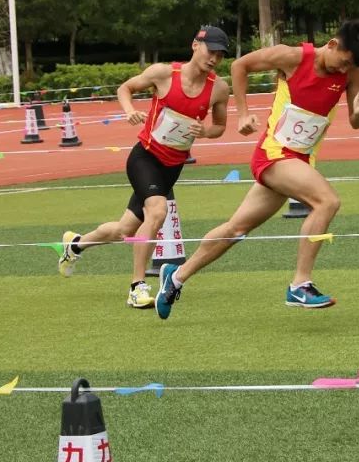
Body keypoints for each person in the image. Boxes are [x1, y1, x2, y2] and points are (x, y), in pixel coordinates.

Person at [154, 20, 359, 320]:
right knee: (328, 201)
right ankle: (300, 284)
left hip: (299, 161)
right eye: (344, 62)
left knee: (236, 229)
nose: (343, 70)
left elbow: (355, 121)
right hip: (274, 155)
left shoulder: (352, 71)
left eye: (350, 67)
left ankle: (176, 276)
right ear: (334, 45)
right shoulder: (292, 57)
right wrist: (243, 113)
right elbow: (240, 66)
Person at [57, 25, 231, 308]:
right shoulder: (164, 74)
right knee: (158, 211)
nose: (214, 58)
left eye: (220, 55)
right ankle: (137, 287)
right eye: (210, 50)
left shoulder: (219, 89)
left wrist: (205, 131)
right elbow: (125, 88)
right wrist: (129, 111)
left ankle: (75, 245)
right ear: (195, 45)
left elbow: (220, 127)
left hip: (172, 167)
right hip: (145, 157)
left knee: (123, 230)